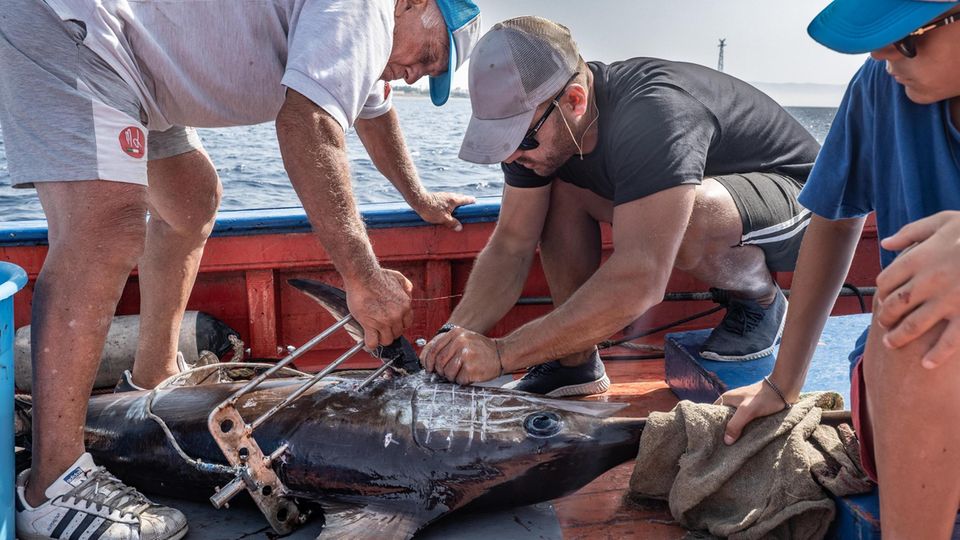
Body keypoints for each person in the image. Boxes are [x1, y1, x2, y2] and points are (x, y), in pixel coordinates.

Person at [0, 0, 480, 538]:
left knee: (191, 199)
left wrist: (418, 197)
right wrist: (363, 277)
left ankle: (153, 379)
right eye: (429, 55)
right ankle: (54, 484)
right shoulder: (365, 8)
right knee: (105, 229)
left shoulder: (365, 42)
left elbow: (374, 112)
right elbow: (309, 122)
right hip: (78, 29)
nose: (416, 74)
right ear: (412, 3)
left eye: (431, 75)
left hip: (135, 71)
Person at [420, 16, 820, 397]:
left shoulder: (655, 112)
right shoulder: (543, 135)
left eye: (520, 141)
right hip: (707, 204)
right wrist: (451, 340)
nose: (512, 157)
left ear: (575, 101)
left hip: (802, 204)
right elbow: (511, 245)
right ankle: (574, 359)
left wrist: (503, 354)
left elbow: (641, 278)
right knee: (557, 185)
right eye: (501, 144)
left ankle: (761, 300)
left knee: (691, 216)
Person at [718, 1, 960, 537]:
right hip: (914, 382)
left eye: (907, 37)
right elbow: (833, 221)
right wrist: (783, 383)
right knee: (919, 311)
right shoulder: (880, 84)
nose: (880, 52)